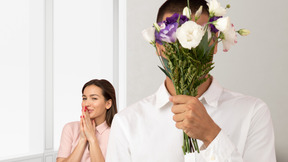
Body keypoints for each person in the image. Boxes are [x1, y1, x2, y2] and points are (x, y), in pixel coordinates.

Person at [106, 0, 276, 162]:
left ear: (215, 43)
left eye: (199, 40)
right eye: (174, 42)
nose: (188, 51)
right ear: (158, 46)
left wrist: (211, 135)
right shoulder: (126, 124)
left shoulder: (252, 113)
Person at [57, 79, 118, 162]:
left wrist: (92, 139)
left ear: (108, 104)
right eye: (84, 98)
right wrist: (82, 140)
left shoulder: (116, 133)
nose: (86, 103)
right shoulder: (70, 128)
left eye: (94, 98)